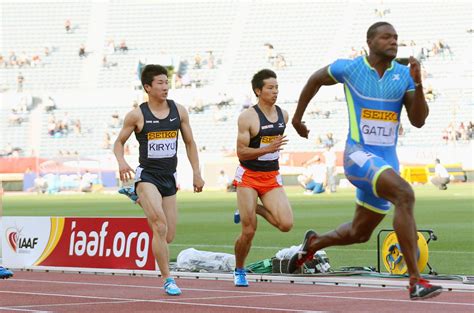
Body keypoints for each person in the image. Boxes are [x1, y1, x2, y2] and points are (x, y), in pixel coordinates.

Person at [288, 22, 442, 300]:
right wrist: (298, 117)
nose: (394, 41)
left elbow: (418, 121)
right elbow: (314, 80)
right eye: (387, 37)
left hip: (386, 163)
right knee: (405, 194)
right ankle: (415, 281)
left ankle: (313, 244)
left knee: (360, 232)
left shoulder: (403, 76)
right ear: (370, 42)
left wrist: (418, 83)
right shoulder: (350, 68)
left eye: (396, 38)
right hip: (357, 156)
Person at [113, 64, 205, 296]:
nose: (166, 87)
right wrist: (122, 161)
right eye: (160, 83)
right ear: (148, 87)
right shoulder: (137, 115)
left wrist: (196, 172)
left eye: (167, 82)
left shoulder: (179, 111)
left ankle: (137, 198)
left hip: (169, 178)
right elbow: (118, 143)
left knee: (168, 235)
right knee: (160, 226)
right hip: (147, 176)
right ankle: (167, 279)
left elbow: (190, 143)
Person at [233, 69, 293, 287]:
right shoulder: (247, 117)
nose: (275, 91)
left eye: (276, 87)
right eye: (270, 87)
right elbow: (241, 152)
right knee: (249, 230)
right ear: (258, 91)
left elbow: (274, 148)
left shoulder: (283, 115)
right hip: (249, 176)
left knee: (286, 224)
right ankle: (239, 269)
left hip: (271, 176)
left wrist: (270, 150)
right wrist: (267, 148)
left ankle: (250, 208)